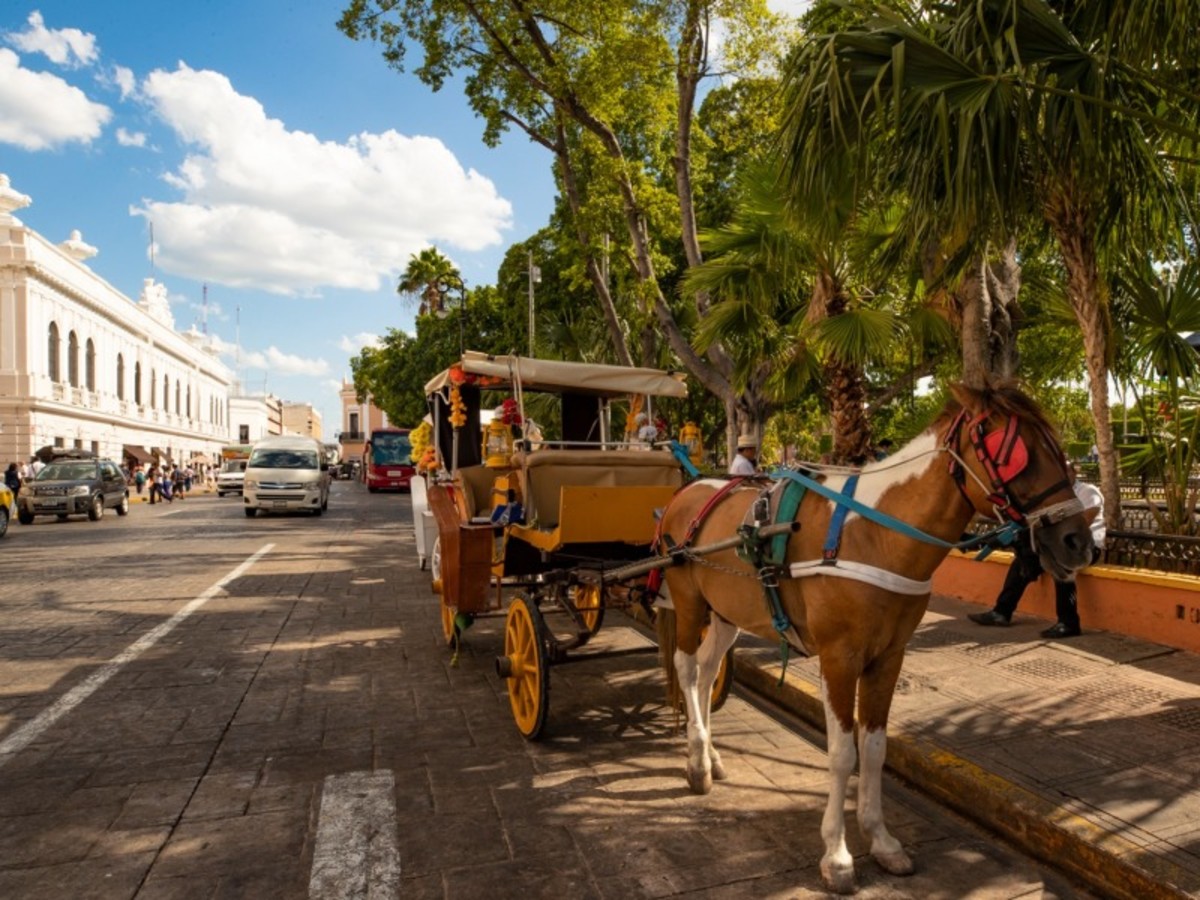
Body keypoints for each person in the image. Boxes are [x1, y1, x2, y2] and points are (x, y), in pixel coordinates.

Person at [968, 476, 1105, 638]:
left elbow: (1082, 523)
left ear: (1072, 471)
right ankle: (1001, 612)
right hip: (1056, 543)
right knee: (1022, 562)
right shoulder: (1053, 495)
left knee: (1060, 563)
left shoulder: (1088, 491)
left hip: (1087, 544)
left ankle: (1068, 623)